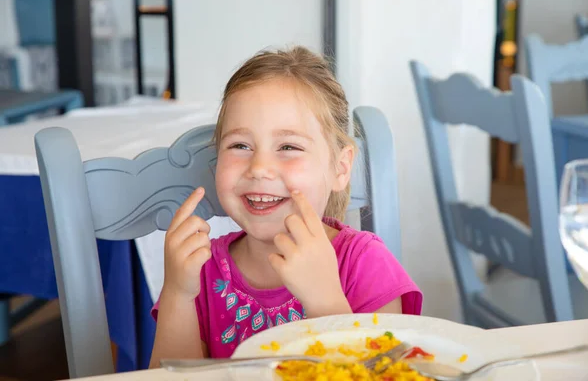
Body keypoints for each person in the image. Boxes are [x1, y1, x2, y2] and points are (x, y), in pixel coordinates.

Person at [149, 46, 422, 365]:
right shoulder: (200, 270)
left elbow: (386, 373)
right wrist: (178, 295)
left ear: (341, 167)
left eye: (288, 146)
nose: (259, 167)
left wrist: (325, 302)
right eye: (240, 145)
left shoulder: (366, 265)